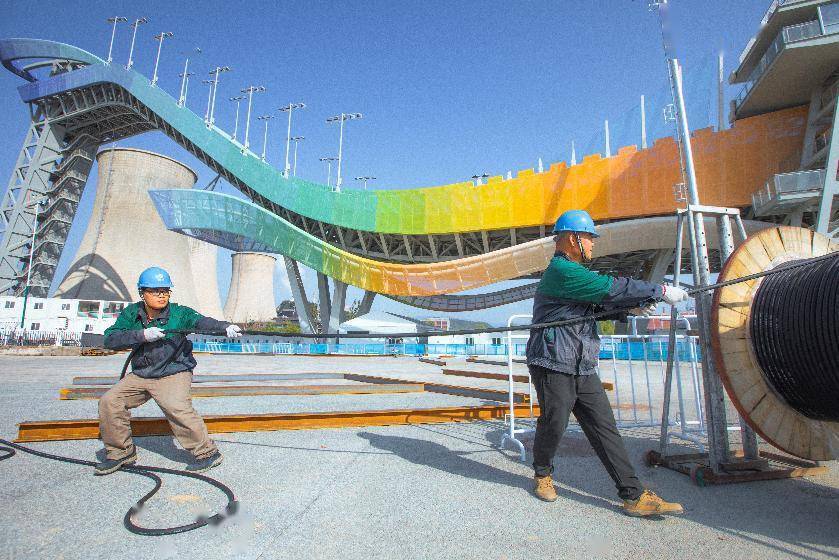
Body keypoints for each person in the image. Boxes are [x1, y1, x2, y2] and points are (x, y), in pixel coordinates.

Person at [526, 210, 689, 517]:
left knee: (605, 428)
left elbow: (597, 307)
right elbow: (611, 288)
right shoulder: (562, 271)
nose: (592, 245)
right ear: (571, 239)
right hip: (552, 361)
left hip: (581, 363)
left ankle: (633, 496)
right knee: (555, 423)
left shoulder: (574, 277)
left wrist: (630, 311)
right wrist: (660, 290)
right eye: (588, 238)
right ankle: (542, 474)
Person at [94, 266, 242, 475]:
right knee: (110, 401)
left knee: (177, 407)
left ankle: (207, 453)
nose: (161, 295)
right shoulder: (131, 314)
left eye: (165, 290)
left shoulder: (179, 314)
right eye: (155, 291)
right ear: (142, 293)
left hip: (173, 371)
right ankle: (121, 452)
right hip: (142, 374)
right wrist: (142, 335)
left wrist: (225, 327)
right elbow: (110, 339)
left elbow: (200, 321)